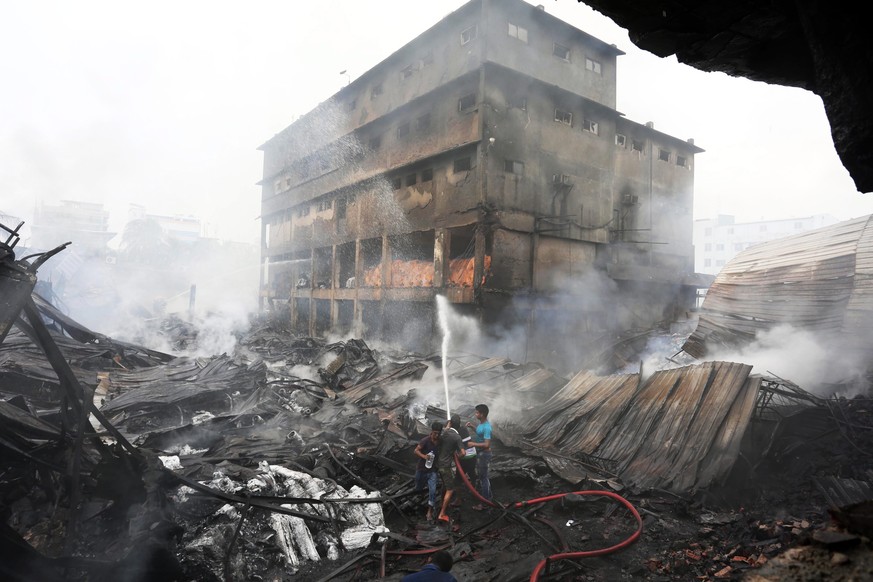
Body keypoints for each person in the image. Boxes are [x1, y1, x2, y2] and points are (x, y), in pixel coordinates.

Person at [436, 415, 465, 522]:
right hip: (446, 466)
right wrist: (456, 456)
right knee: (450, 489)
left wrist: (447, 426)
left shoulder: (444, 432)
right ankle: (442, 513)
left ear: (450, 423)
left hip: (438, 464)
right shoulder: (457, 437)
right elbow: (463, 452)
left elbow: (443, 433)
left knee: (445, 484)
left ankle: (440, 504)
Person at [414, 421, 442, 521]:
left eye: (438, 433)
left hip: (432, 471)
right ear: (431, 431)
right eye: (435, 433)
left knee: (433, 491)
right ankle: (419, 501)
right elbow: (416, 450)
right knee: (418, 488)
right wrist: (424, 456)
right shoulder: (425, 440)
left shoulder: (440, 441)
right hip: (421, 469)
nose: (437, 435)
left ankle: (429, 511)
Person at [466, 403, 492, 508]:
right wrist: (472, 426)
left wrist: (473, 444)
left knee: (483, 478)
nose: (475, 414)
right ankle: (489, 497)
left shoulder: (487, 427)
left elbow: (487, 444)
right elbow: (479, 432)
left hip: (484, 454)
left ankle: (485, 503)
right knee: (483, 477)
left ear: (482, 414)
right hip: (481, 453)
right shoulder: (481, 424)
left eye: (477, 413)